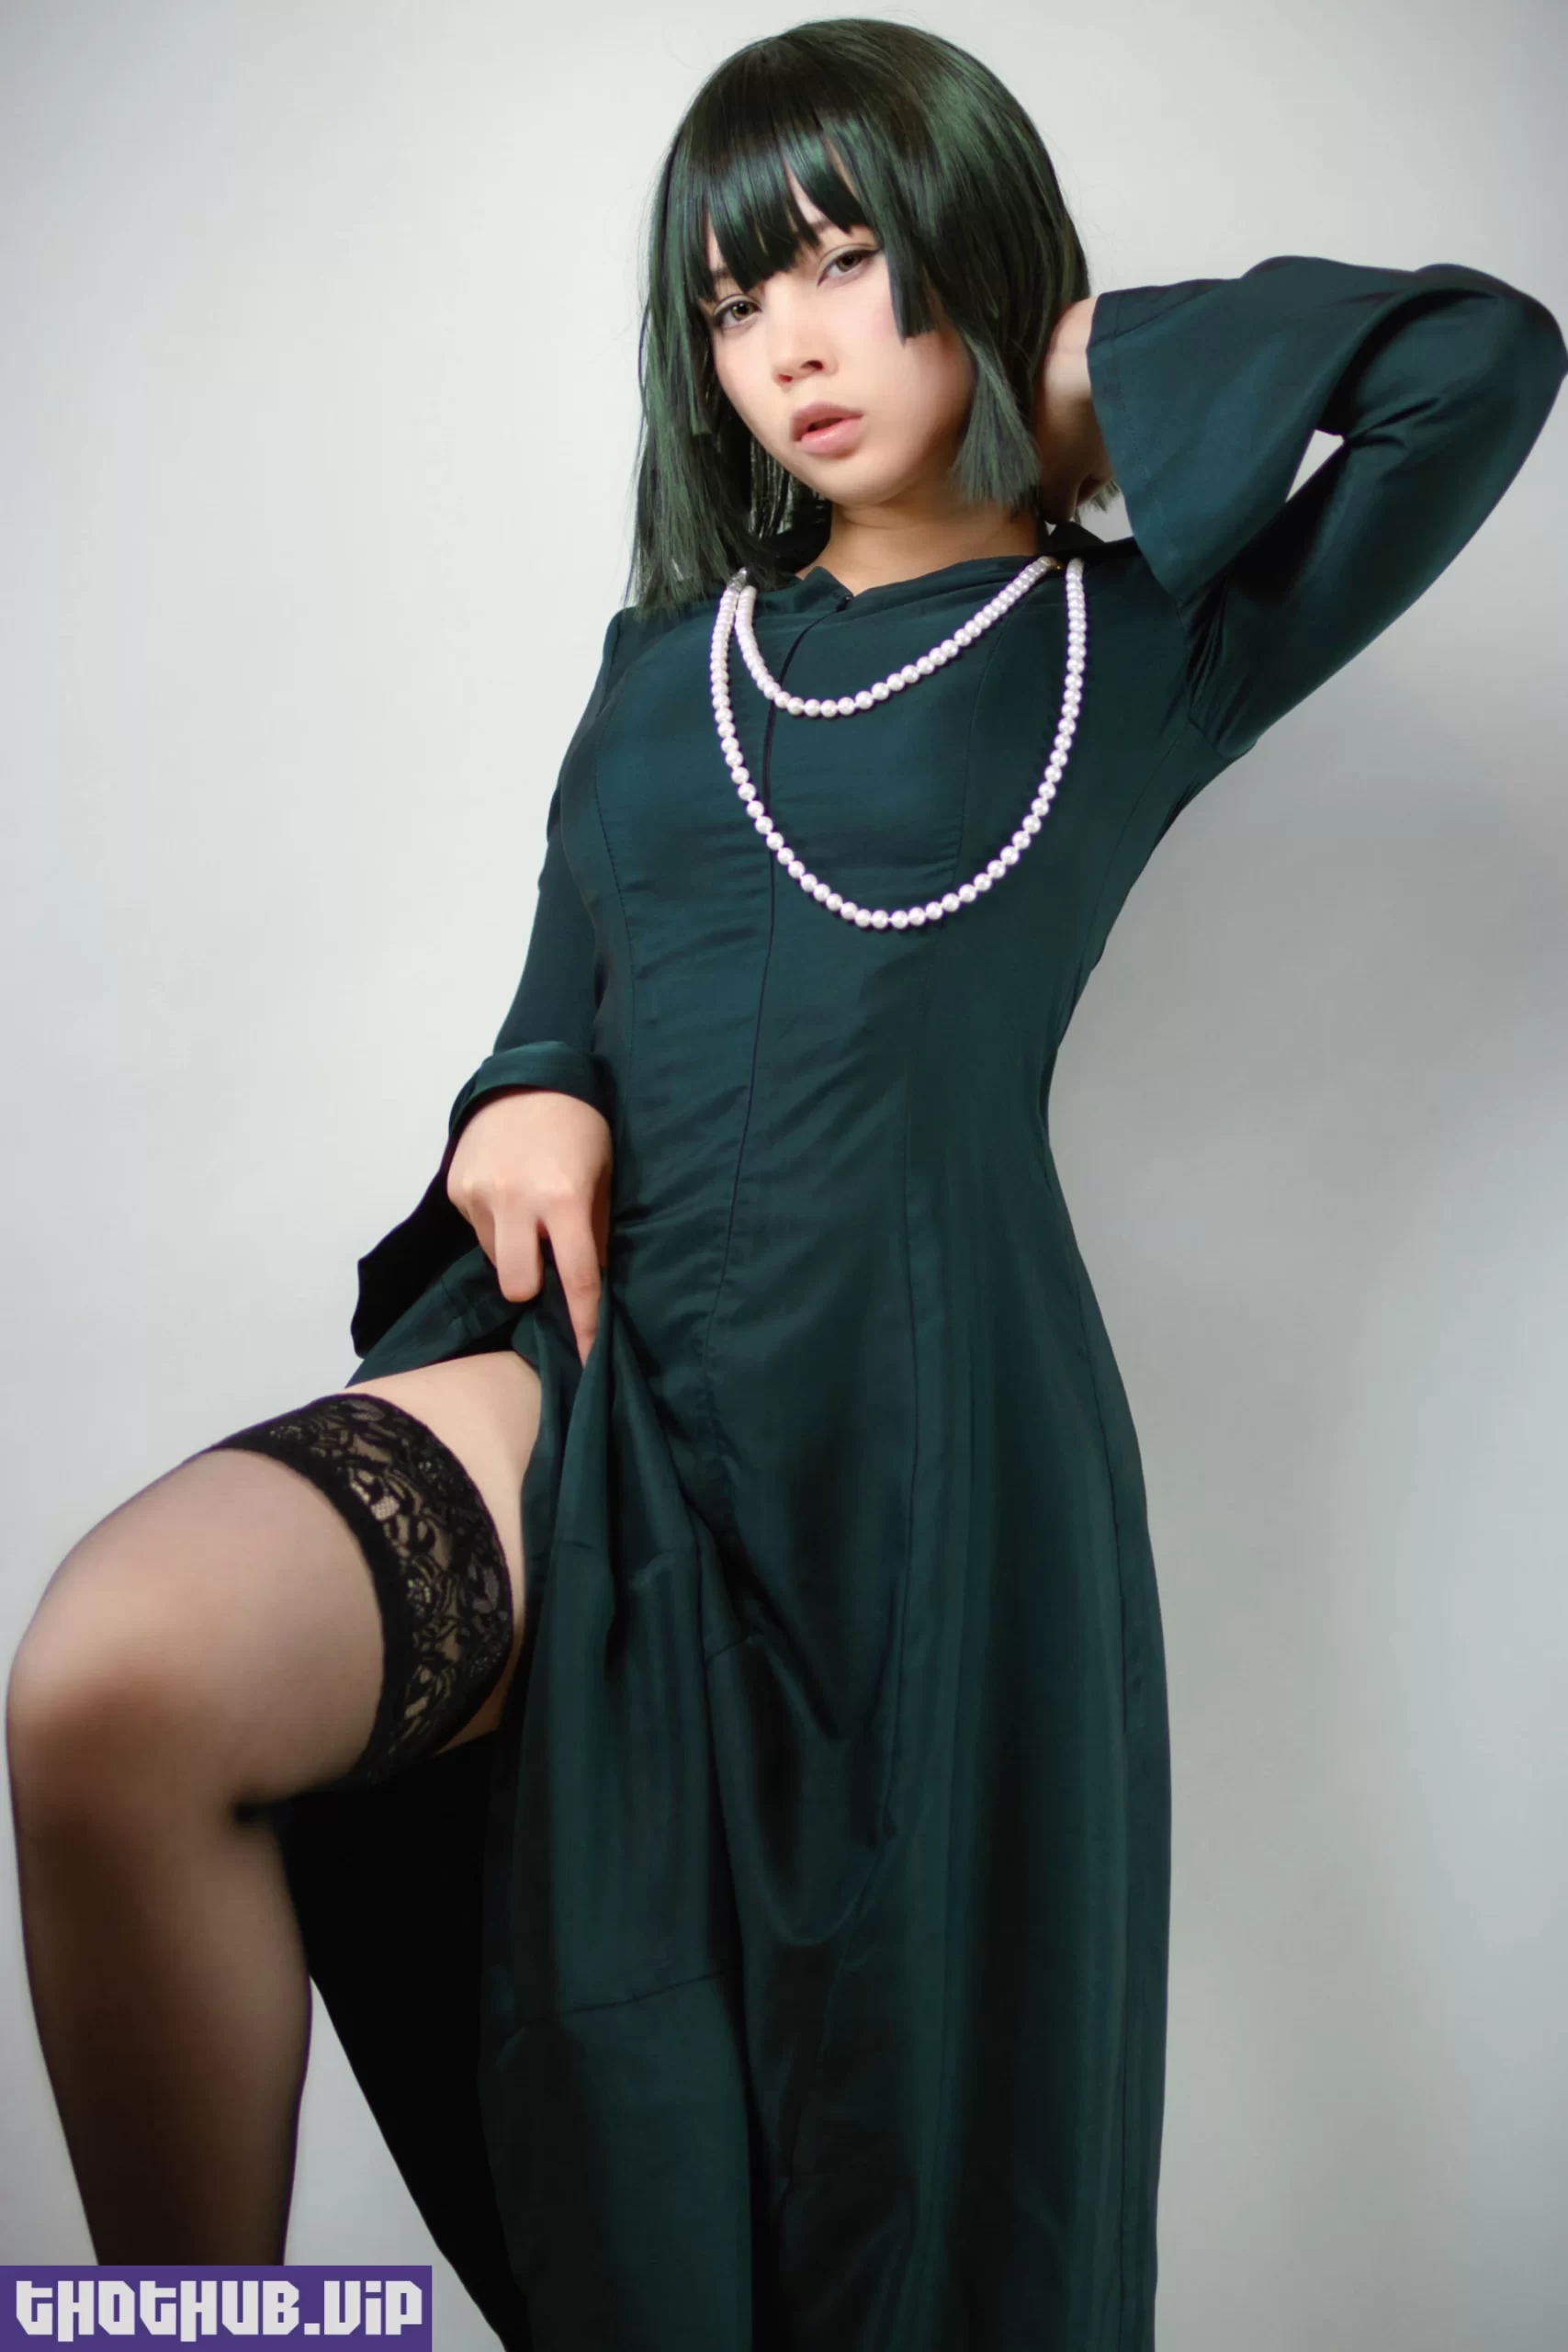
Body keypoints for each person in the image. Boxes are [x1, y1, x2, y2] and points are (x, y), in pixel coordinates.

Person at [6, 15, 1563, 2348]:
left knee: (891, 2189)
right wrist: (528, 1084)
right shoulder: (669, 669)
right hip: (603, 1386)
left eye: (843, 264)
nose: (789, 348)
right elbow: (558, 994)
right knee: (114, 1689)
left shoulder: (1145, 642)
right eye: (733, 301)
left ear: (968, 253)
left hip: (936, 1462)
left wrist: (1080, 378)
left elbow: (1481, 364)